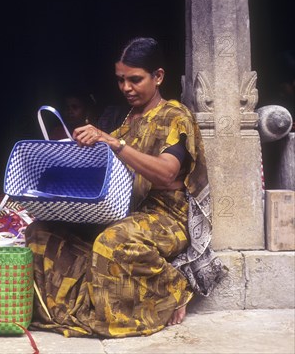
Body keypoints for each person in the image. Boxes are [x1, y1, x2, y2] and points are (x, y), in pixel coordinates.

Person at [26, 37, 226, 338]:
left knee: (113, 241)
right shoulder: (127, 120)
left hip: (166, 219)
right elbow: (105, 168)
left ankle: (173, 289)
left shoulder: (175, 116)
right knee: (42, 232)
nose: (126, 88)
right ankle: (69, 308)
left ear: (158, 77)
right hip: (124, 211)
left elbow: (165, 173)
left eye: (135, 80)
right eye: (121, 80)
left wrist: (113, 143)